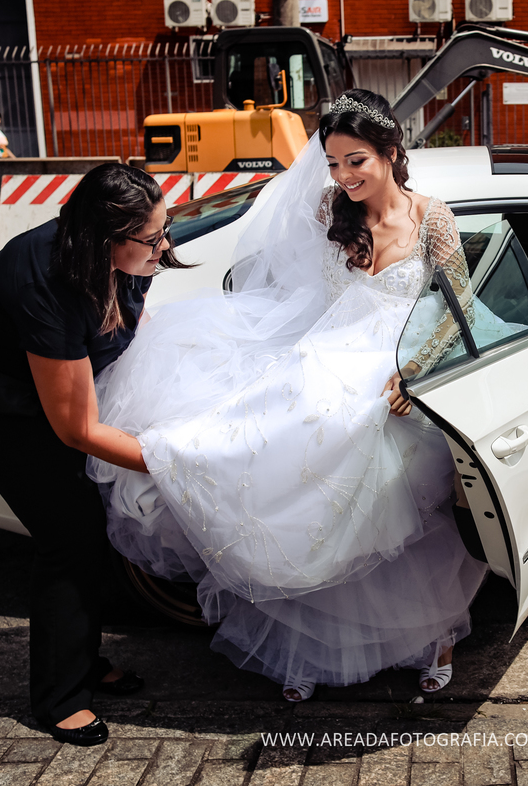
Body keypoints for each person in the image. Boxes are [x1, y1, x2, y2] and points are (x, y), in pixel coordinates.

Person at [91, 90, 503, 702]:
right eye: (333, 162)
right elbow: (290, 272)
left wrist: (414, 371)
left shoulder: (432, 218)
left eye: (356, 161)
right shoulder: (329, 207)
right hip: (324, 356)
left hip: (393, 374)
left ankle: (433, 638)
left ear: (392, 151)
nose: (344, 176)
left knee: (387, 520)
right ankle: (310, 646)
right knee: (286, 489)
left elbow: (459, 302)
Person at [0, 164, 189, 745]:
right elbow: (76, 429)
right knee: (70, 536)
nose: (163, 248)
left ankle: (82, 659)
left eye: (164, 230)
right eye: (152, 240)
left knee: (92, 525)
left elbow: (127, 330)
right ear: (105, 239)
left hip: (49, 398)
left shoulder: (124, 255)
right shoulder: (45, 278)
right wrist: (174, 464)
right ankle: (60, 697)